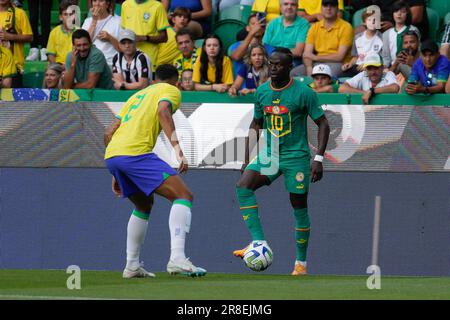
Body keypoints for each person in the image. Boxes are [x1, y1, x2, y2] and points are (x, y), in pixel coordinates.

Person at [232, 47, 330, 276]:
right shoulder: (263, 91)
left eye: (277, 65)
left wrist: (318, 159)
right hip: (270, 154)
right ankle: (258, 242)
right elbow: (257, 123)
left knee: (298, 207)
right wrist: (247, 158)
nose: (273, 68)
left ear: (288, 68)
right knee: (243, 187)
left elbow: (323, 123)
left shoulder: (304, 93)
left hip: (296, 157)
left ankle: (300, 264)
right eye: (271, 63)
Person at [104, 63, 207, 278]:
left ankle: (131, 265)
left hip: (115, 155)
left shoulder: (137, 96)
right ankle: (177, 258)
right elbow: (163, 111)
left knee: (143, 204)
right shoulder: (170, 90)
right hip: (135, 153)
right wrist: (178, 149)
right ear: (175, 81)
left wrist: (116, 170)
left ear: (154, 78)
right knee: (183, 195)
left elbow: (108, 132)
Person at [292, 0, 353, 77]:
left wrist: (315, 57)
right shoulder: (314, 27)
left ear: (338, 9)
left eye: (332, 5)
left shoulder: (346, 27)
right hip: (317, 63)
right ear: (321, 9)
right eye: (325, 5)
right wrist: (309, 68)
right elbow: (307, 54)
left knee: (324, 76)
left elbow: (339, 57)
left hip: (339, 63)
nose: (328, 8)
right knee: (293, 73)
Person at [121, 0, 170, 73]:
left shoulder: (157, 6)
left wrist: (144, 38)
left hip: (148, 59)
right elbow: (124, 32)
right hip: (128, 59)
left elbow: (164, 37)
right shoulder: (125, 4)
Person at [262, 0, 309, 66]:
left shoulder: (303, 24)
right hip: (271, 59)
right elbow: (264, 46)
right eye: (286, 4)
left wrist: (276, 54)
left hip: (291, 61)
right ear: (280, 7)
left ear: (297, 7)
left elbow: (298, 52)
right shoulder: (273, 23)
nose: (289, 7)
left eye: (293, 4)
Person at [341, 6, 384, 77]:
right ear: (364, 23)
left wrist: (367, 65)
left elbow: (382, 59)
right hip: (357, 67)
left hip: (373, 67)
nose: (372, 22)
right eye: (369, 20)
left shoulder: (382, 38)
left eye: (375, 20)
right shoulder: (357, 37)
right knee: (344, 72)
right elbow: (355, 57)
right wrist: (349, 64)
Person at [0, 0, 33, 87]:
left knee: (11, 100)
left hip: (14, 67)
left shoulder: (20, 13)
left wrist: (10, 37)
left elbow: (30, 37)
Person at [82, 0, 122, 68]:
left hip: (110, 63)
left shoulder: (118, 21)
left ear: (107, 4)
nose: (97, 4)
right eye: (94, 1)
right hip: (91, 62)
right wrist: (94, 21)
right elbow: (83, 44)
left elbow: (123, 49)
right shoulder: (87, 21)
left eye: (101, 1)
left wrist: (110, 38)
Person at [381, 1, 420, 69]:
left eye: (402, 12)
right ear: (392, 14)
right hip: (393, 67)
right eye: (396, 11)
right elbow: (386, 57)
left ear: (407, 14)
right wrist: (386, 69)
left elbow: (418, 51)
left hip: (409, 65)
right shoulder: (386, 34)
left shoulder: (413, 30)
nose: (399, 14)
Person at [46, 0, 78, 66]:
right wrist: (56, 67)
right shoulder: (54, 32)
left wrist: (68, 65)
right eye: (65, 14)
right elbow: (50, 54)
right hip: (58, 66)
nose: (68, 17)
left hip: (74, 65)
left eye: (71, 14)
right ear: (61, 17)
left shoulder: (79, 31)